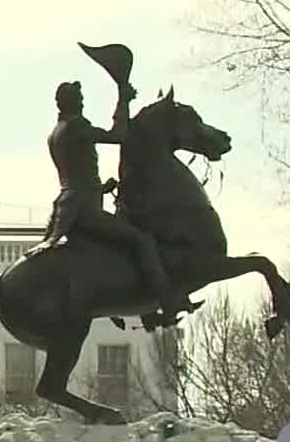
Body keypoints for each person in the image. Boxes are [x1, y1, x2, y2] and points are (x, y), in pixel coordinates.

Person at [27, 77, 191, 321]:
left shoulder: (57, 132)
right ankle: (165, 303)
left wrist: (101, 188)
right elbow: (118, 135)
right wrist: (123, 99)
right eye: (80, 100)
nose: (82, 104)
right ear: (70, 103)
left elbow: (75, 175)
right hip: (84, 210)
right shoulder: (76, 127)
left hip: (71, 203)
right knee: (143, 240)